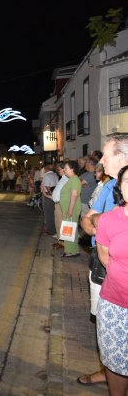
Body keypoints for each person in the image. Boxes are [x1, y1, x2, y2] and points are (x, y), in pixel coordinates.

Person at [78, 135, 128, 386]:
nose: (101, 163)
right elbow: (87, 221)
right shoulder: (108, 186)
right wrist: (101, 224)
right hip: (102, 262)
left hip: (118, 267)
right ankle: (108, 369)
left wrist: (103, 223)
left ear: (122, 157)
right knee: (104, 323)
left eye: (106, 156)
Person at [93, 163, 128, 394]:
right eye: (127, 181)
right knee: (116, 364)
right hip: (115, 305)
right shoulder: (108, 221)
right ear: (120, 187)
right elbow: (105, 258)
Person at [59, 160, 82, 258]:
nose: (64, 170)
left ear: (73, 169)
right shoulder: (72, 179)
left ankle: (71, 251)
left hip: (71, 209)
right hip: (69, 209)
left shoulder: (74, 179)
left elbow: (74, 195)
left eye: (66, 168)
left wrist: (70, 210)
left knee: (69, 229)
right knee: (71, 229)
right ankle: (73, 250)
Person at [40, 164, 58, 236]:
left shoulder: (46, 176)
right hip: (54, 195)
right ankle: (54, 228)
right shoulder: (55, 175)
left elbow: (47, 186)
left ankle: (51, 230)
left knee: (48, 214)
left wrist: (49, 193)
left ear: (45, 169)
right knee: (53, 213)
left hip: (47, 196)